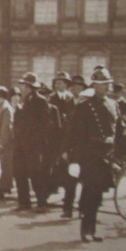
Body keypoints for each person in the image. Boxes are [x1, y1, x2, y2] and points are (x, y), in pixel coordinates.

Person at [65, 68, 126, 242]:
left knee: (98, 194)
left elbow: (121, 130)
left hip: (107, 154)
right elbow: (75, 134)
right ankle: (86, 230)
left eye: (108, 83)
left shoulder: (113, 104)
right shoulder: (84, 106)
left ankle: (93, 229)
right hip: (90, 154)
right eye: (103, 84)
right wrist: (74, 160)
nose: (108, 86)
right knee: (90, 192)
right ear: (95, 85)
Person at [12, 71, 58, 211]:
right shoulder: (22, 101)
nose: (21, 88)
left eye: (24, 86)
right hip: (20, 144)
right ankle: (24, 202)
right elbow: (17, 122)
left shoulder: (40, 101)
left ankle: (41, 202)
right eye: (21, 85)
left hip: (33, 145)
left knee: (36, 174)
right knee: (20, 173)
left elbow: (46, 124)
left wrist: (36, 141)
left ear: (29, 87)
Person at [47, 71, 77, 217]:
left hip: (67, 137)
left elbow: (73, 115)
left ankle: (66, 197)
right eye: (56, 82)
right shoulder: (51, 98)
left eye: (61, 82)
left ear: (66, 84)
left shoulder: (71, 98)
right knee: (53, 165)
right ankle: (48, 193)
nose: (58, 85)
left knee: (67, 169)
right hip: (55, 137)